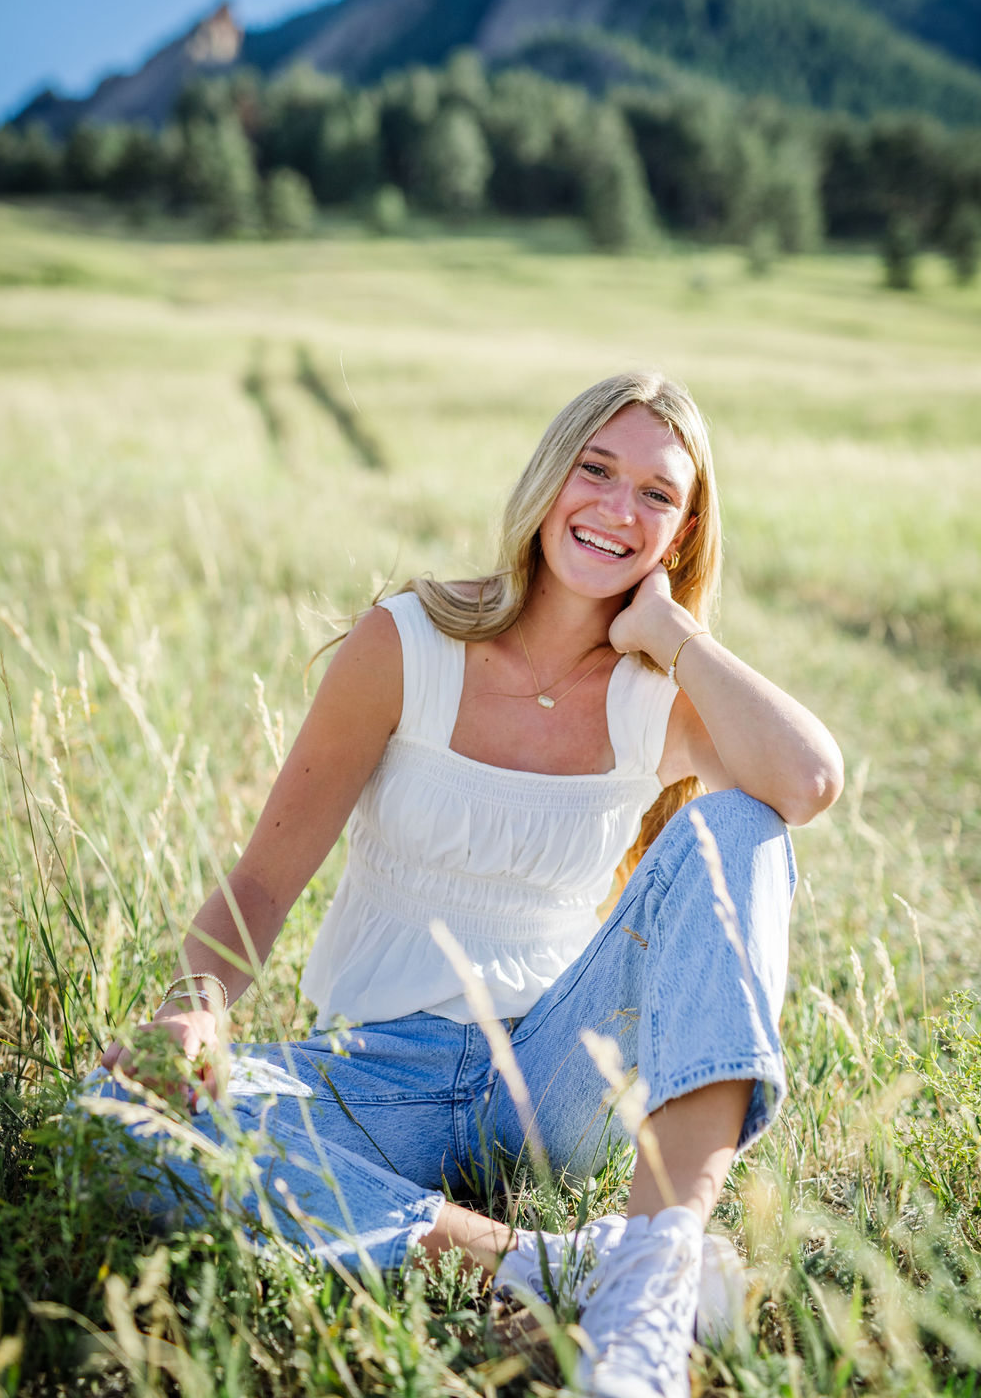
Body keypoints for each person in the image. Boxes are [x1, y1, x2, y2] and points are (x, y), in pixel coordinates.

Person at [92, 372, 843, 1397]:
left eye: (658, 495)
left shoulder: (652, 696)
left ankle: (653, 1280)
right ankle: (550, 1263)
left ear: (682, 529)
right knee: (118, 1115)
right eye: (596, 470)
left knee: (741, 824)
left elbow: (803, 783)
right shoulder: (404, 645)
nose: (619, 509)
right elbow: (265, 882)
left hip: (554, 1078)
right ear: (548, 479)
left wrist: (673, 636)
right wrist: (193, 1011)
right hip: (373, 1069)